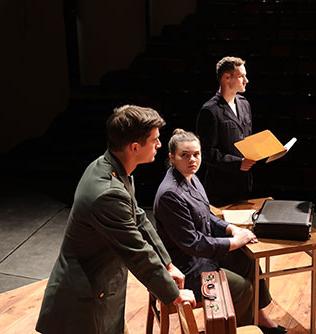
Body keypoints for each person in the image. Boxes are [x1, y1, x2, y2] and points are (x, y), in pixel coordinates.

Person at [36, 105, 196, 334]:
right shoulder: (107, 192)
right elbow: (136, 251)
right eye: (154, 140)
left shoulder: (112, 167)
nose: (159, 145)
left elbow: (138, 218)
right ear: (134, 147)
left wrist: (168, 264)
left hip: (101, 284)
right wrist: (173, 293)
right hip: (84, 297)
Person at [153, 129, 286, 334]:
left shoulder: (191, 177)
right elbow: (194, 244)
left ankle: (258, 319)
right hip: (187, 267)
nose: (192, 160)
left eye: (196, 154)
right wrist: (236, 241)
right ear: (172, 157)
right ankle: (236, 330)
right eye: (185, 155)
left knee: (248, 262)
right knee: (242, 288)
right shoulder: (170, 194)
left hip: (203, 255)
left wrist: (230, 228)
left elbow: (208, 216)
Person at [196, 56, 256, 206]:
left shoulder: (244, 104)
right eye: (242, 76)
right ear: (227, 78)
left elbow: (246, 139)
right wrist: (238, 163)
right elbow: (207, 152)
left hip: (244, 182)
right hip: (221, 186)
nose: (246, 80)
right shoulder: (210, 111)